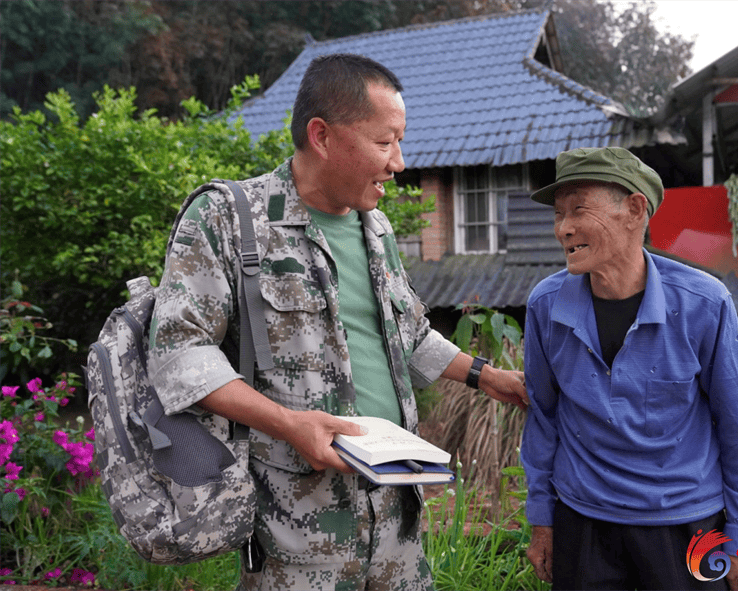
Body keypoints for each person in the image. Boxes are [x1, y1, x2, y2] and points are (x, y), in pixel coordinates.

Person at [148, 53, 528, 591]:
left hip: (398, 517)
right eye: (384, 141)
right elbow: (180, 354)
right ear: (322, 136)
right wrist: (289, 424)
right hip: (296, 523)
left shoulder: (377, 229)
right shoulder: (228, 219)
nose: (399, 162)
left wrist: (491, 377)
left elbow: (411, 334)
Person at [521, 147, 738, 591]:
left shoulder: (704, 303)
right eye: (559, 214)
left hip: (688, 523)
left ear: (635, 209)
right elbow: (543, 416)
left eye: (579, 209)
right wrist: (543, 520)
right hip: (583, 523)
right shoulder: (546, 305)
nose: (564, 228)